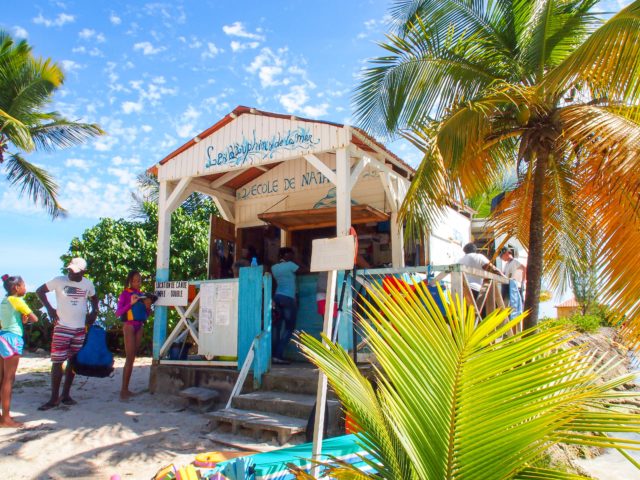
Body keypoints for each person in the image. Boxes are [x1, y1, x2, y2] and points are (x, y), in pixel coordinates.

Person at [36, 258, 98, 410]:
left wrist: (94, 312)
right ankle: (53, 398)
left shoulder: (87, 284)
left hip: (79, 329)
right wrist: (50, 309)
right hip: (62, 327)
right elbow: (40, 290)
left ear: (83, 272)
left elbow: (94, 298)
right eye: (69, 270)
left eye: (75, 272)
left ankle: (66, 395)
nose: (70, 273)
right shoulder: (59, 281)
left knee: (73, 362)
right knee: (57, 362)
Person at [0, 275, 37, 428]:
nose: (25, 289)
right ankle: (6, 419)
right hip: (13, 339)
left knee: (1, 378)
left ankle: (3, 416)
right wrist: (27, 318)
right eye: (23, 285)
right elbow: (34, 318)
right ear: (16, 288)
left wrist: (22, 319)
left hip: (2, 337)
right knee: (9, 379)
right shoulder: (17, 301)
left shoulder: (4, 301)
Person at [116, 270, 153, 400]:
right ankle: (123, 390)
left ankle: (126, 389)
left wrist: (148, 307)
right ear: (130, 281)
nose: (138, 283)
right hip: (129, 326)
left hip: (139, 326)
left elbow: (145, 315)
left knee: (133, 357)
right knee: (129, 357)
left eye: (140, 280)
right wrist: (130, 303)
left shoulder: (142, 295)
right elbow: (118, 312)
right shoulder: (125, 294)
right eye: (136, 280)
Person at [271, 247, 300, 364]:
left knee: (277, 328)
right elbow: (306, 269)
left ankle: (273, 355)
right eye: (291, 254)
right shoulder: (290, 265)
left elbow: (273, 283)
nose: (292, 257)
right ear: (285, 255)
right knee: (289, 328)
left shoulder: (274, 268)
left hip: (277, 297)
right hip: (288, 299)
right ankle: (278, 355)